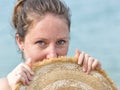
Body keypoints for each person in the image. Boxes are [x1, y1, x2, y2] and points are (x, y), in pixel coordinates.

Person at [0, 0, 101, 89]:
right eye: (41, 42)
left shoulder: (78, 85)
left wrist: (97, 82)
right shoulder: (5, 86)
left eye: (60, 42)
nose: (53, 56)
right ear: (20, 42)